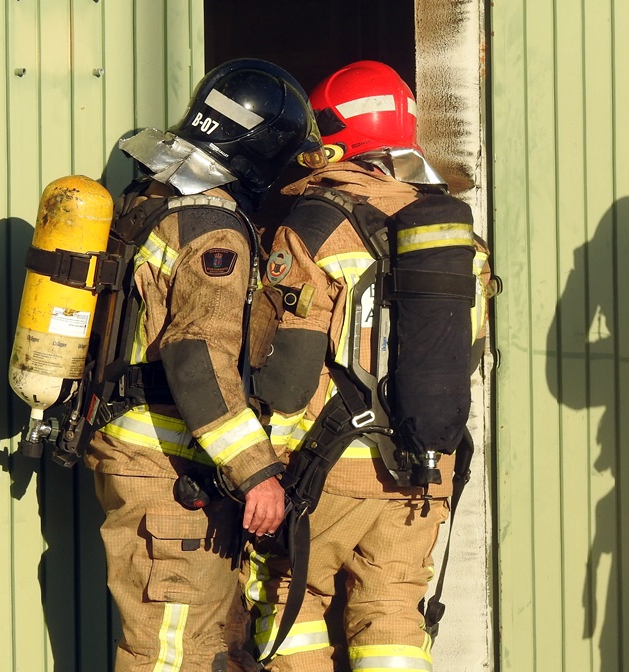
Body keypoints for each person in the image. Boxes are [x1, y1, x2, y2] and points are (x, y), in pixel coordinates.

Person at [243, 60, 493, 672]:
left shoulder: (314, 223)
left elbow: (287, 378)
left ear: (334, 135)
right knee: (392, 615)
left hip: (330, 467)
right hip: (423, 462)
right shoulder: (454, 234)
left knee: (291, 601)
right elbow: (469, 352)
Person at [83, 58, 320, 671]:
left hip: (142, 453)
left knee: (208, 646)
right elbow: (196, 354)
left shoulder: (152, 195)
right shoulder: (215, 227)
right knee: (171, 649)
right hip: (163, 465)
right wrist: (256, 471)